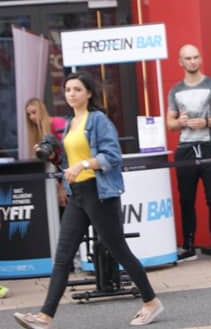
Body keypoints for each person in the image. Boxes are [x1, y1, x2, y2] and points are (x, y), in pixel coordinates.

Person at [13, 71, 164, 329]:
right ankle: (44, 317)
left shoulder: (98, 120)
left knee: (119, 250)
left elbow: (112, 156)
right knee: (63, 256)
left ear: (89, 93)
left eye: (77, 89)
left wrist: (82, 164)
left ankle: (151, 302)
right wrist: (54, 158)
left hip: (99, 192)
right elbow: (68, 162)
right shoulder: (70, 123)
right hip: (77, 195)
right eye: (68, 90)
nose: (71, 94)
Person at [166, 44, 211, 262]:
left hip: (209, 146)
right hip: (185, 149)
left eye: (196, 57)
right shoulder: (175, 90)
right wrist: (180, 122)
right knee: (186, 199)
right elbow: (169, 123)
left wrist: (206, 122)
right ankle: (188, 245)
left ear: (200, 59)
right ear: (180, 62)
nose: (193, 61)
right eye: (188, 58)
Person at [25, 98, 68, 211]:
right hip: (57, 177)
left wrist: (63, 186)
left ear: (42, 110)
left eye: (34, 112)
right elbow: (55, 160)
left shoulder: (58, 123)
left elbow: (68, 155)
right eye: (28, 114)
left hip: (71, 175)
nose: (31, 117)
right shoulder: (37, 134)